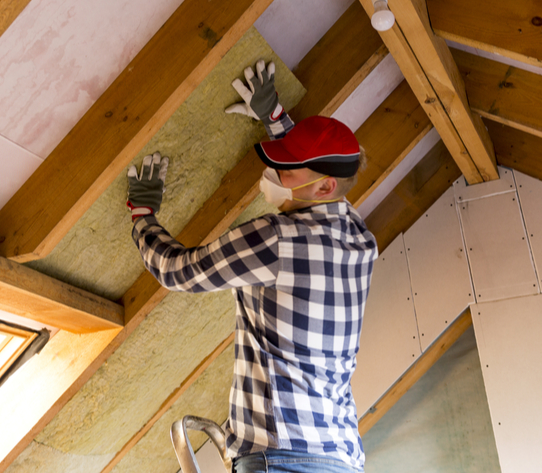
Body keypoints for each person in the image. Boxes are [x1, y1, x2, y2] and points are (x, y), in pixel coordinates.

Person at [126, 60, 378, 473]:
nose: (272, 173)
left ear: (324, 187)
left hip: (281, 459)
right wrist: (275, 120)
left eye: (284, 167)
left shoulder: (277, 240)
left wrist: (142, 217)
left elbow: (178, 271)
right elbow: (320, 175)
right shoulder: (360, 240)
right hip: (338, 454)